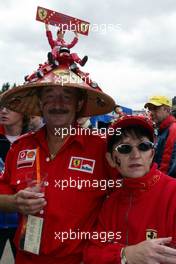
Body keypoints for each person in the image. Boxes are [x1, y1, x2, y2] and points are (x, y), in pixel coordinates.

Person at [0, 66, 116, 264]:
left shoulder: (101, 148)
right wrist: (14, 202)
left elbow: (125, 198)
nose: (57, 104)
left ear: (79, 103)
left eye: (66, 96)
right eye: (50, 95)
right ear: (40, 101)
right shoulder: (21, 146)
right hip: (25, 258)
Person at [84, 115, 176, 264]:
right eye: (124, 148)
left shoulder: (172, 193)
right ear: (111, 159)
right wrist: (125, 254)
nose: (135, 155)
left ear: (152, 153)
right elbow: (92, 254)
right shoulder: (111, 202)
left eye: (144, 146)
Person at [0, 106, 29, 260]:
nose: (3, 111)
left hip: (25, 224)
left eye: (10, 108)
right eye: (1, 108)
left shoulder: (34, 141)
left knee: (26, 260)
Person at [144, 95, 176, 177]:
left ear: (167, 110)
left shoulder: (173, 129)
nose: (151, 112)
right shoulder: (162, 129)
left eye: (155, 108)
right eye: (150, 109)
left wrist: (158, 182)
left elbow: (167, 164)